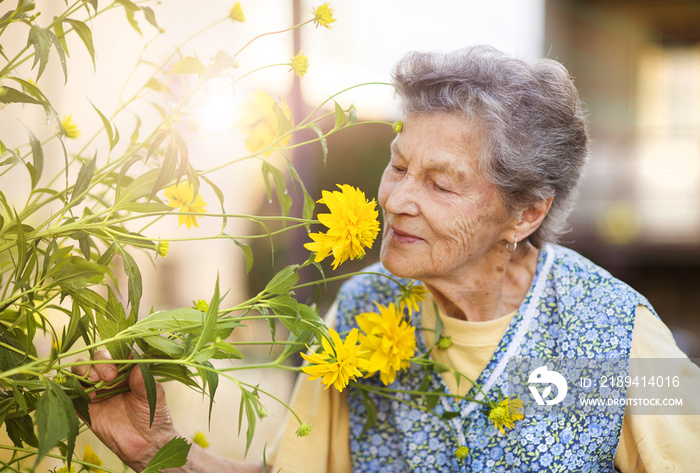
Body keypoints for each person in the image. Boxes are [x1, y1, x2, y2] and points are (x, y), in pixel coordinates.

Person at [75, 45, 700, 472]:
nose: (396, 199)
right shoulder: (360, 308)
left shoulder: (610, 338)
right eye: (398, 165)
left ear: (526, 213)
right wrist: (159, 450)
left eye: (441, 183)